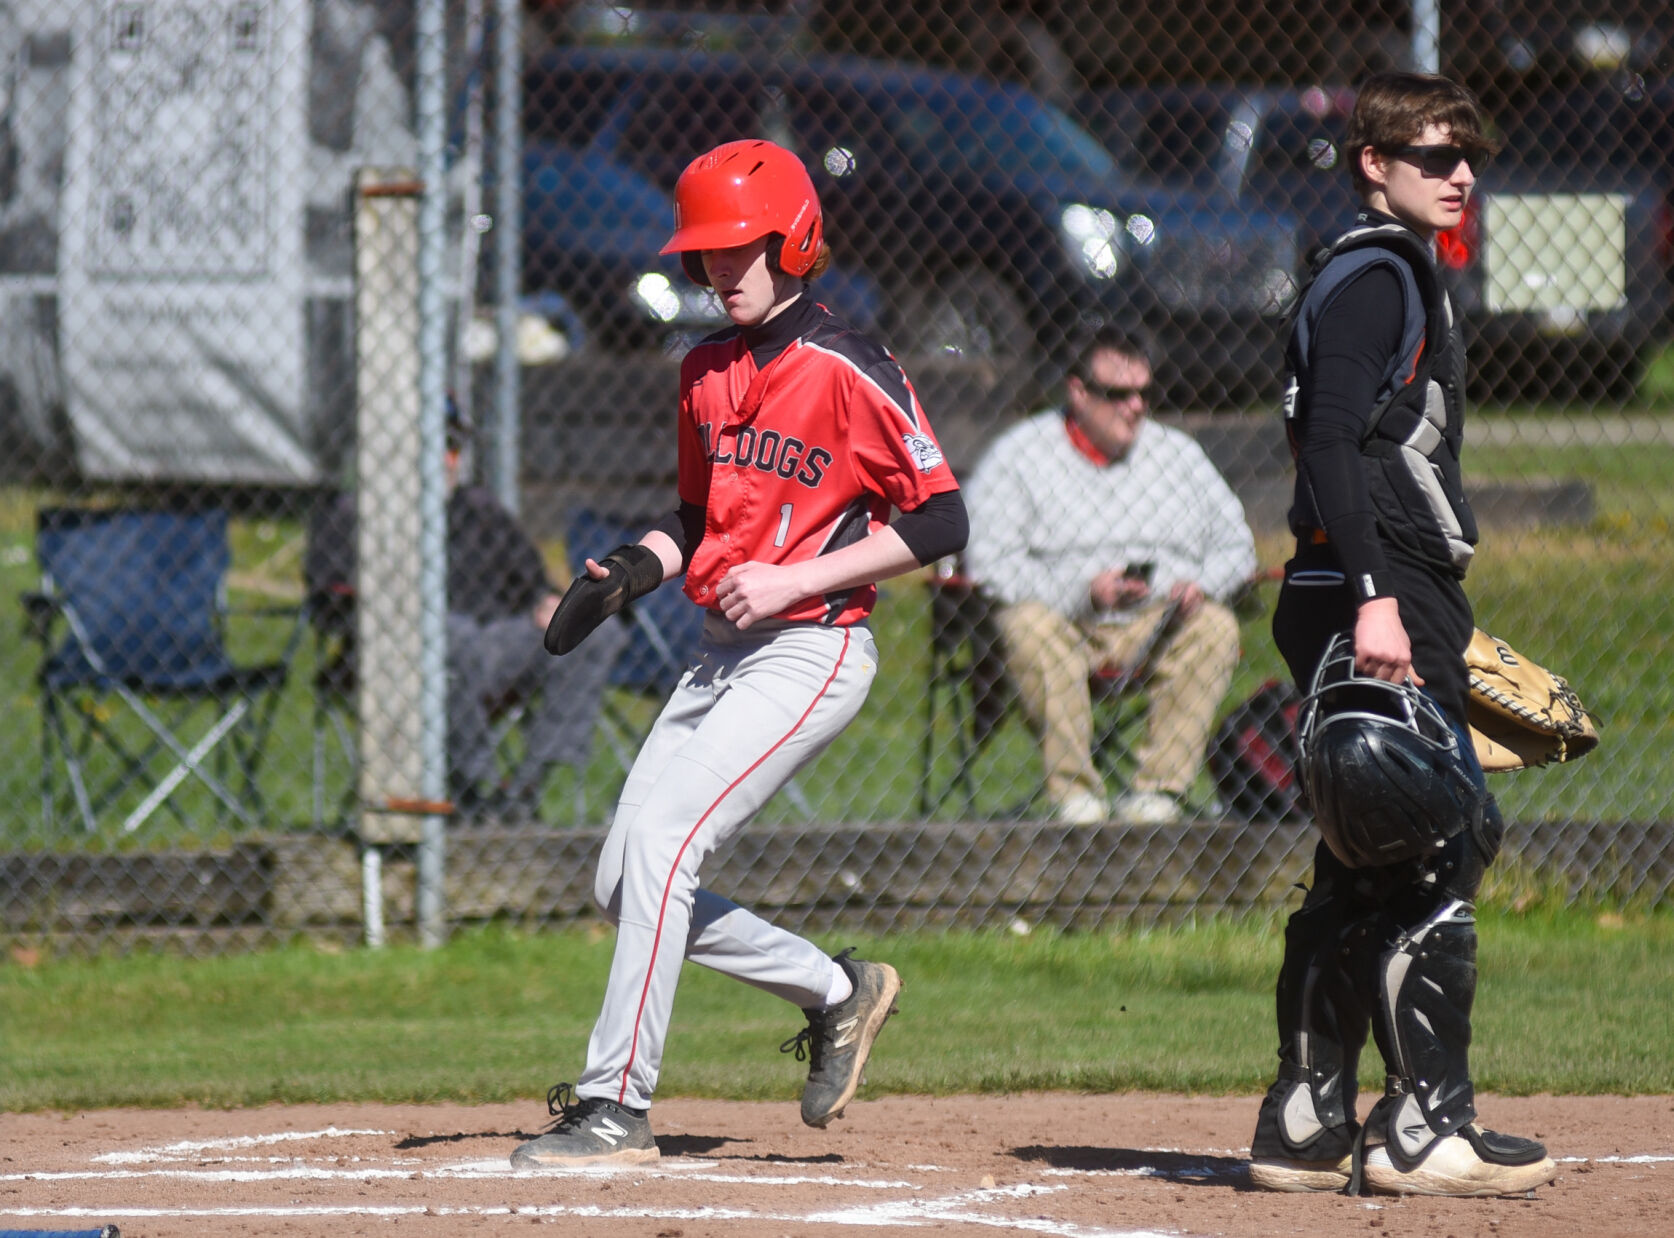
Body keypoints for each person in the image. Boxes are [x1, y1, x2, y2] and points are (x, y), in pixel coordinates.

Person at [509, 139, 967, 1169]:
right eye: (705, 251)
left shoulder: (851, 368)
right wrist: (634, 566)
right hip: (720, 652)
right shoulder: (704, 370)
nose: (719, 269)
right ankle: (838, 988)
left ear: (794, 239)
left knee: (665, 842)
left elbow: (941, 520)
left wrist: (799, 578)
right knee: (625, 877)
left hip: (812, 649)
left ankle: (615, 1107)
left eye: (739, 246)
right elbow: (695, 515)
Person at [1247, 72, 1557, 1198]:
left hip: (1360, 584)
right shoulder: (1378, 274)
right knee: (1443, 834)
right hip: (1369, 586)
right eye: (1434, 156)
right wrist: (1380, 595)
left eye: (1467, 154)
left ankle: (1306, 1116)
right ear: (1373, 164)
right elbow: (1332, 445)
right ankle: (1429, 1125)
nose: (1460, 174)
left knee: (1366, 845)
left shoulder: (1373, 269)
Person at [963, 327, 1256, 826]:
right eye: (1118, 394)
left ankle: (1155, 797)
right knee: (1026, 624)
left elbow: (1238, 547)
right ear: (1078, 392)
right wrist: (1084, 592)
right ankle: (1077, 799)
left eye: (1144, 392)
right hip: (1064, 624)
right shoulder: (1019, 456)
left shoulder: (1179, 456)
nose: (1136, 407)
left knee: (1216, 626)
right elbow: (987, 561)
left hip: (1157, 624)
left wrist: (1201, 584)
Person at [306, 403, 629, 821]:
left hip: (494, 646)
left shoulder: (481, 511)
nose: (445, 459)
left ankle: (524, 789)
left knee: (593, 632)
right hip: (393, 657)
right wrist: (389, 614)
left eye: (453, 447)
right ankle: (476, 788)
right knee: (449, 635)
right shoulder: (353, 513)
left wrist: (553, 606)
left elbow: (532, 585)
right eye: (431, 444)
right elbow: (327, 602)